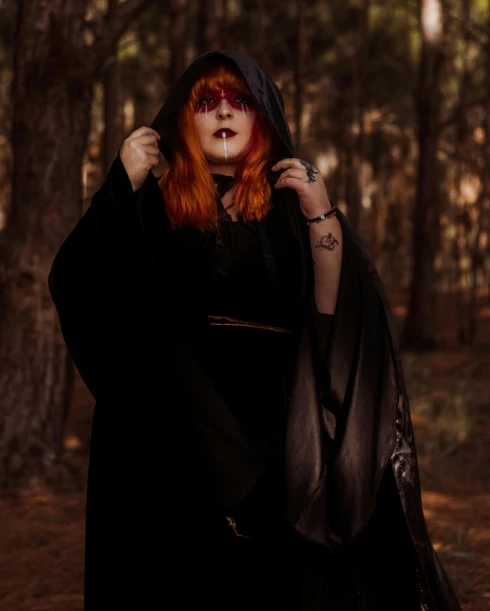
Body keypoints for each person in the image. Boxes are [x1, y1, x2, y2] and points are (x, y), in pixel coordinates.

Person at [48, 50, 461, 610]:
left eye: (240, 101)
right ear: (183, 119)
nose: (224, 112)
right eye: (207, 102)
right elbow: (80, 281)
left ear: (262, 118)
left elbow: (334, 313)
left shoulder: (292, 206)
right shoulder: (153, 207)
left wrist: (320, 212)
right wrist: (121, 184)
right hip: (174, 429)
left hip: (276, 424)